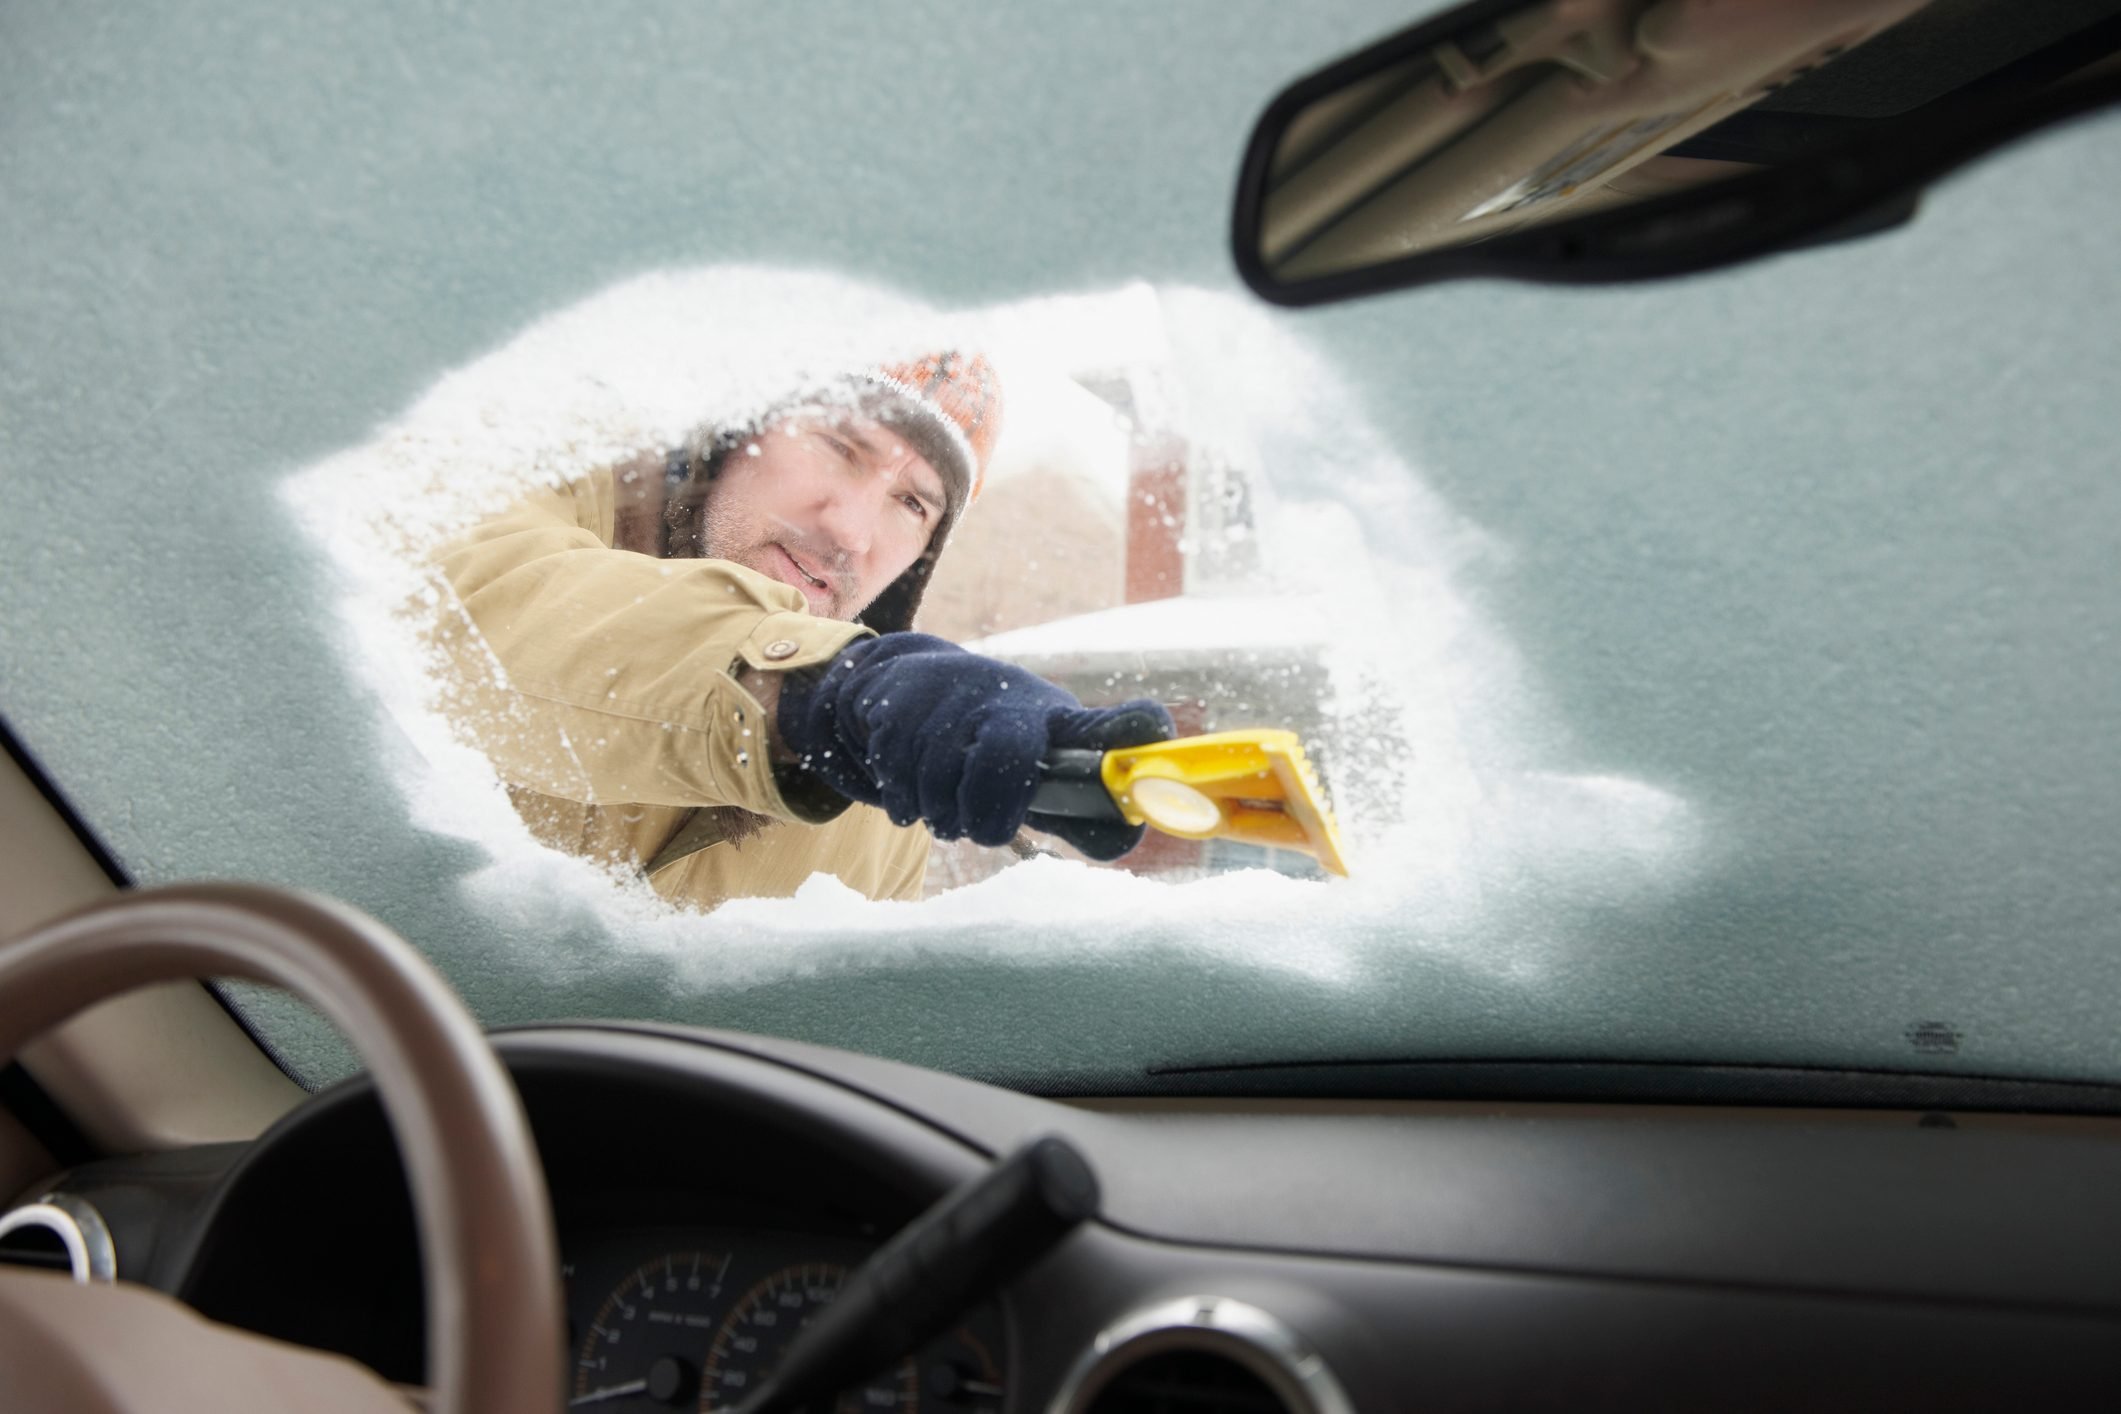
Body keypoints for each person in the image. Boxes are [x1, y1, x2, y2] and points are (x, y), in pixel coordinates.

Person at [430, 351, 1173, 910]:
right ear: (736, 433)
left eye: (912, 503)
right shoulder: (515, 495)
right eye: (841, 447)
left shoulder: (883, 807)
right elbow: (481, 625)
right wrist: (817, 694)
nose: (851, 531)